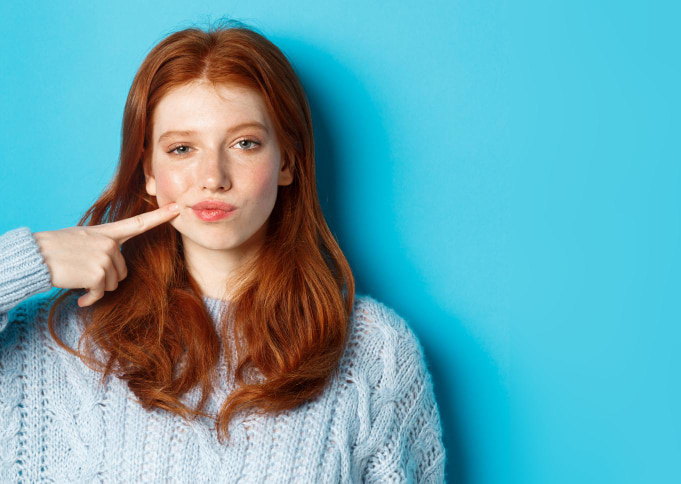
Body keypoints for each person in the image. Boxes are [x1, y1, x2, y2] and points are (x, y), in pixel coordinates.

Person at [0, 19, 446, 482]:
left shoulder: (372, 349)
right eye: (181, 149)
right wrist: (30, 259)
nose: (213, 176)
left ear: (287, 163)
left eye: (244, 143)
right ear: (148, 172)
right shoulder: (55, 340)